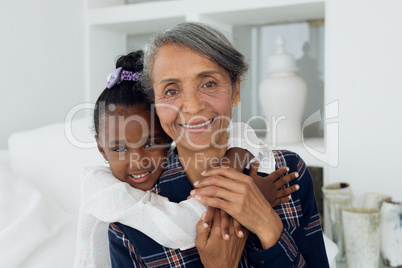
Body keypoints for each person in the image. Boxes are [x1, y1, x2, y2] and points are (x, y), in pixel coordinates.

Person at [108, 22, 329, 267]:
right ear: (155, 104)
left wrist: (267, 225)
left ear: (236, 89)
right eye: (171, 91)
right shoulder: (132, 217)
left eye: (209, 84)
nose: (192, 106)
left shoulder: (287, 173)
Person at [74, 51, 300, 267]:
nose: (138, 160)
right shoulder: (102, 193)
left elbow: (240, 131)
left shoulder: (288, 165)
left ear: (170, 136)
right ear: (101, 149)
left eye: (151, 144)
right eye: (120, 148)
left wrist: (231, 164)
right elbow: (180, 228)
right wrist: (250, 200)